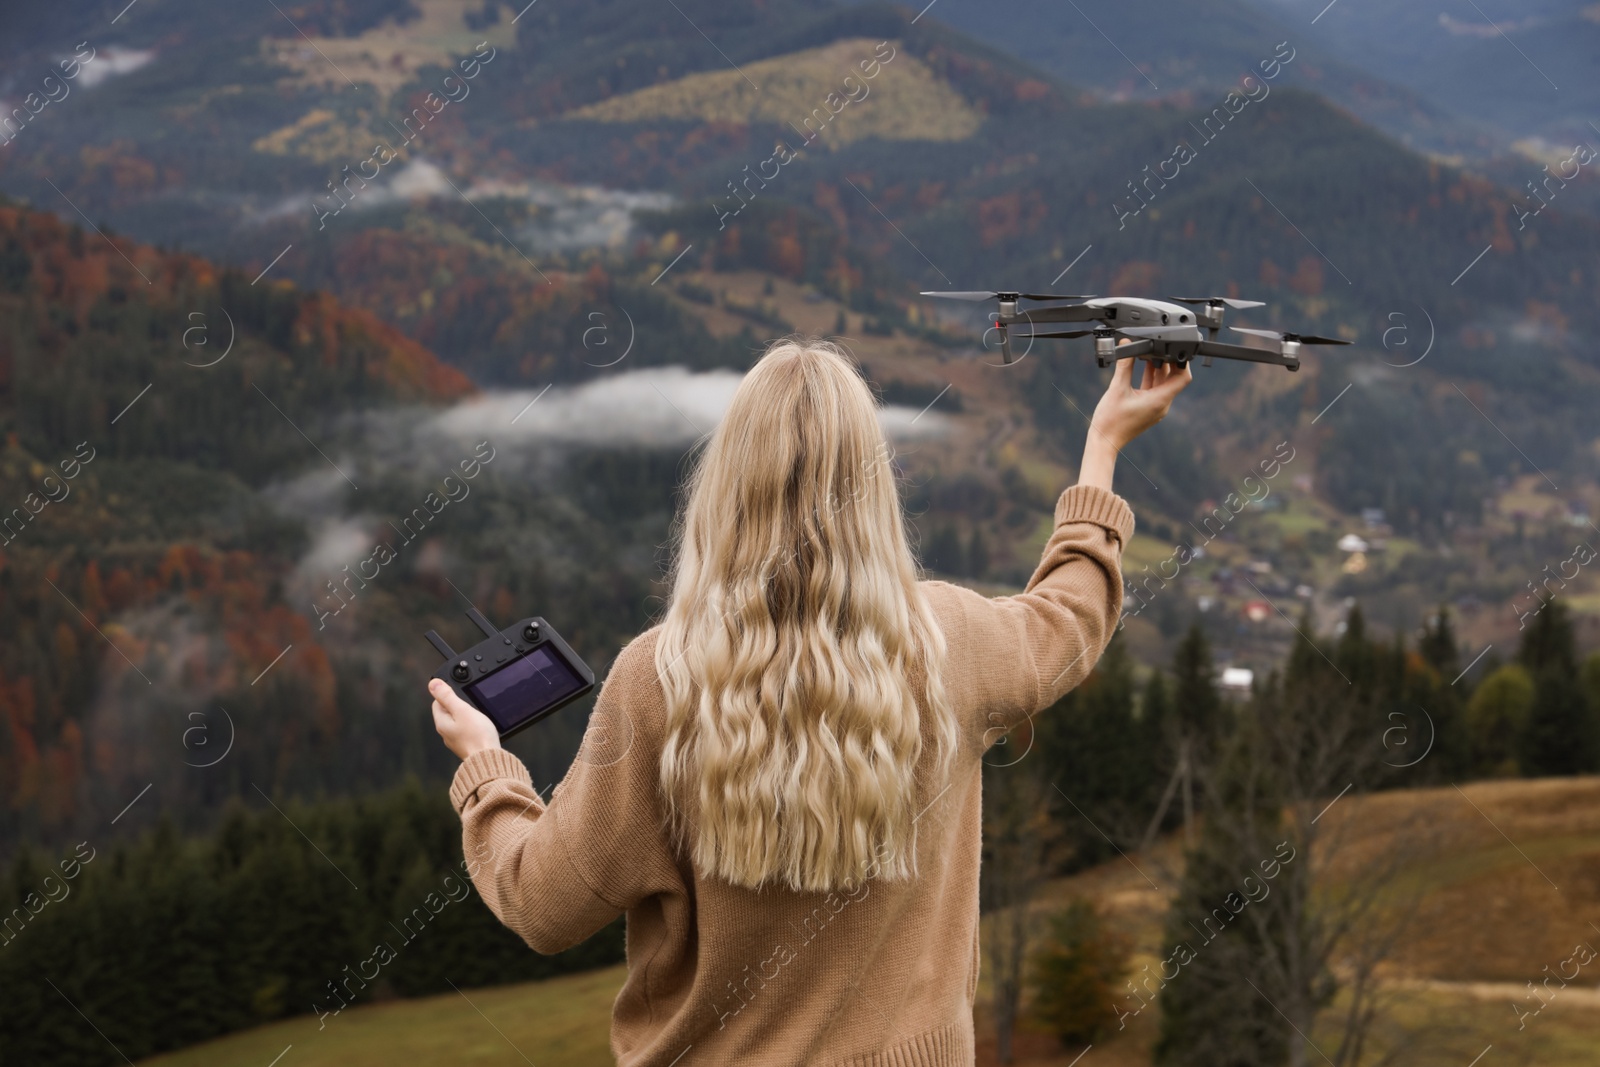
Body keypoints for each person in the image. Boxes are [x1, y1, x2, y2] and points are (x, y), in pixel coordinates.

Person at [429, 336, 1190, 1065]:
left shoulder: (657, 682)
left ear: (724, 488)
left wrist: (489, 768)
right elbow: (1069, 617)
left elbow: (543, 904)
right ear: (874, 486)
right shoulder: (950, 642)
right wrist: (1103, 446)